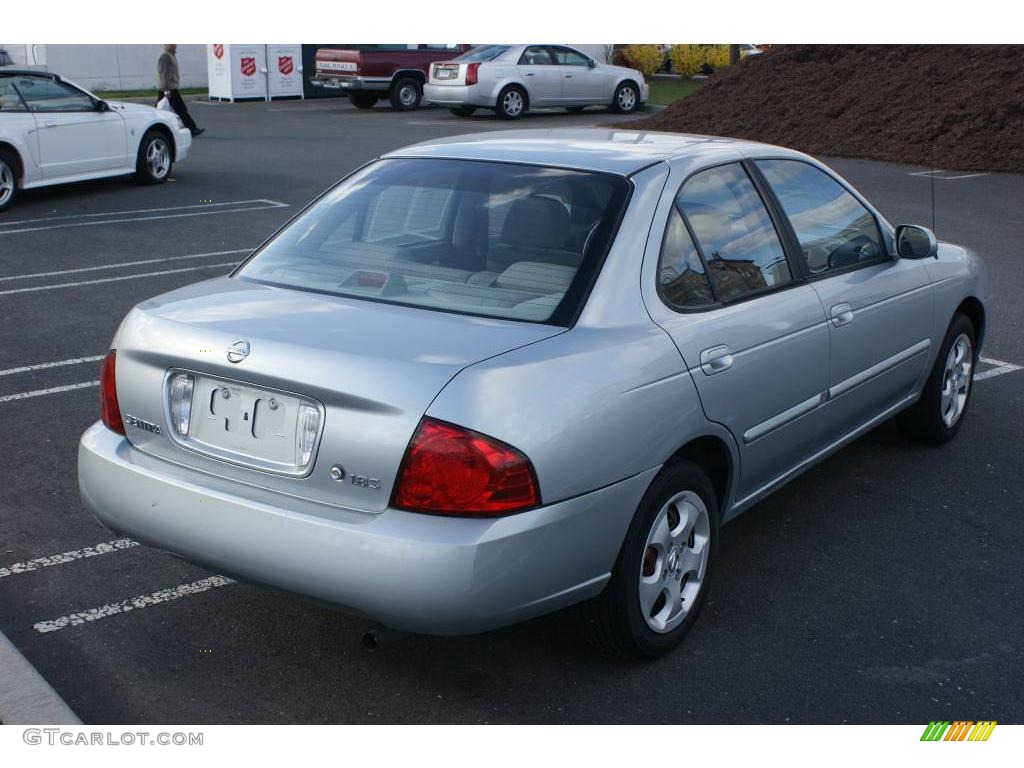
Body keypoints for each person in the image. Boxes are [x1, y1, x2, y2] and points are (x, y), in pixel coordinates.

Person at [157, 44, 204, 137]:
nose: (175, 45)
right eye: (172, 44)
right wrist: (166, 90)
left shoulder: (171, 55)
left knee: (160, 109)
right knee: (181, 109)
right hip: (169, 88)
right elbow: (164, 74)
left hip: (169, 88)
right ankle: (192, 129)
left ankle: (191, 128)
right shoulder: (165, 56)